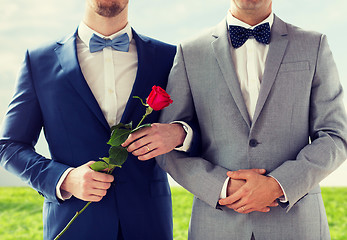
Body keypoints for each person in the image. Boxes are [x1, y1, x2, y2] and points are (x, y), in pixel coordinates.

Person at [125, 0, 347, 239]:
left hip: (298, 225)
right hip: (216, 226)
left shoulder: (313, 44)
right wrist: (222, 187)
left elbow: (335, 136)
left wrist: (278, 184)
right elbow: (169, 149)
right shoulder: (190, 52)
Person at [0, 0, 187, 239]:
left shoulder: (168, 57)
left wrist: (179, 133)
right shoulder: (38, 62)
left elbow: (203, 127)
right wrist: (64, 179)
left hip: (149, 225)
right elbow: (9, 147)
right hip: (74, 226)